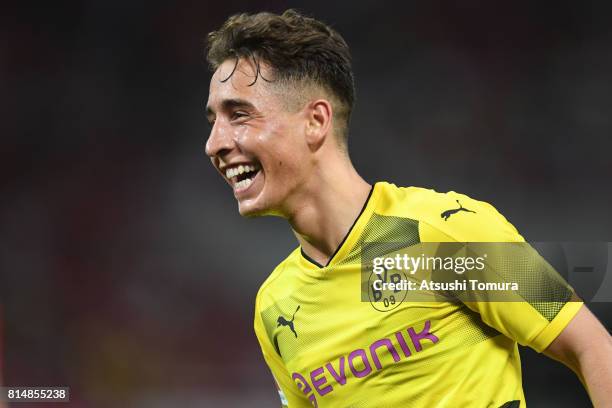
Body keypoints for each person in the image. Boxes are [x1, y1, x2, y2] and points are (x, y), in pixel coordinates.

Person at [203, 9, 612, 407]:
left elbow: (592, 347)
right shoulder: (275, 307)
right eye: (212, 121)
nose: (214, 143)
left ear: (316, 121)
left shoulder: (445, 233)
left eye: (239, 114)